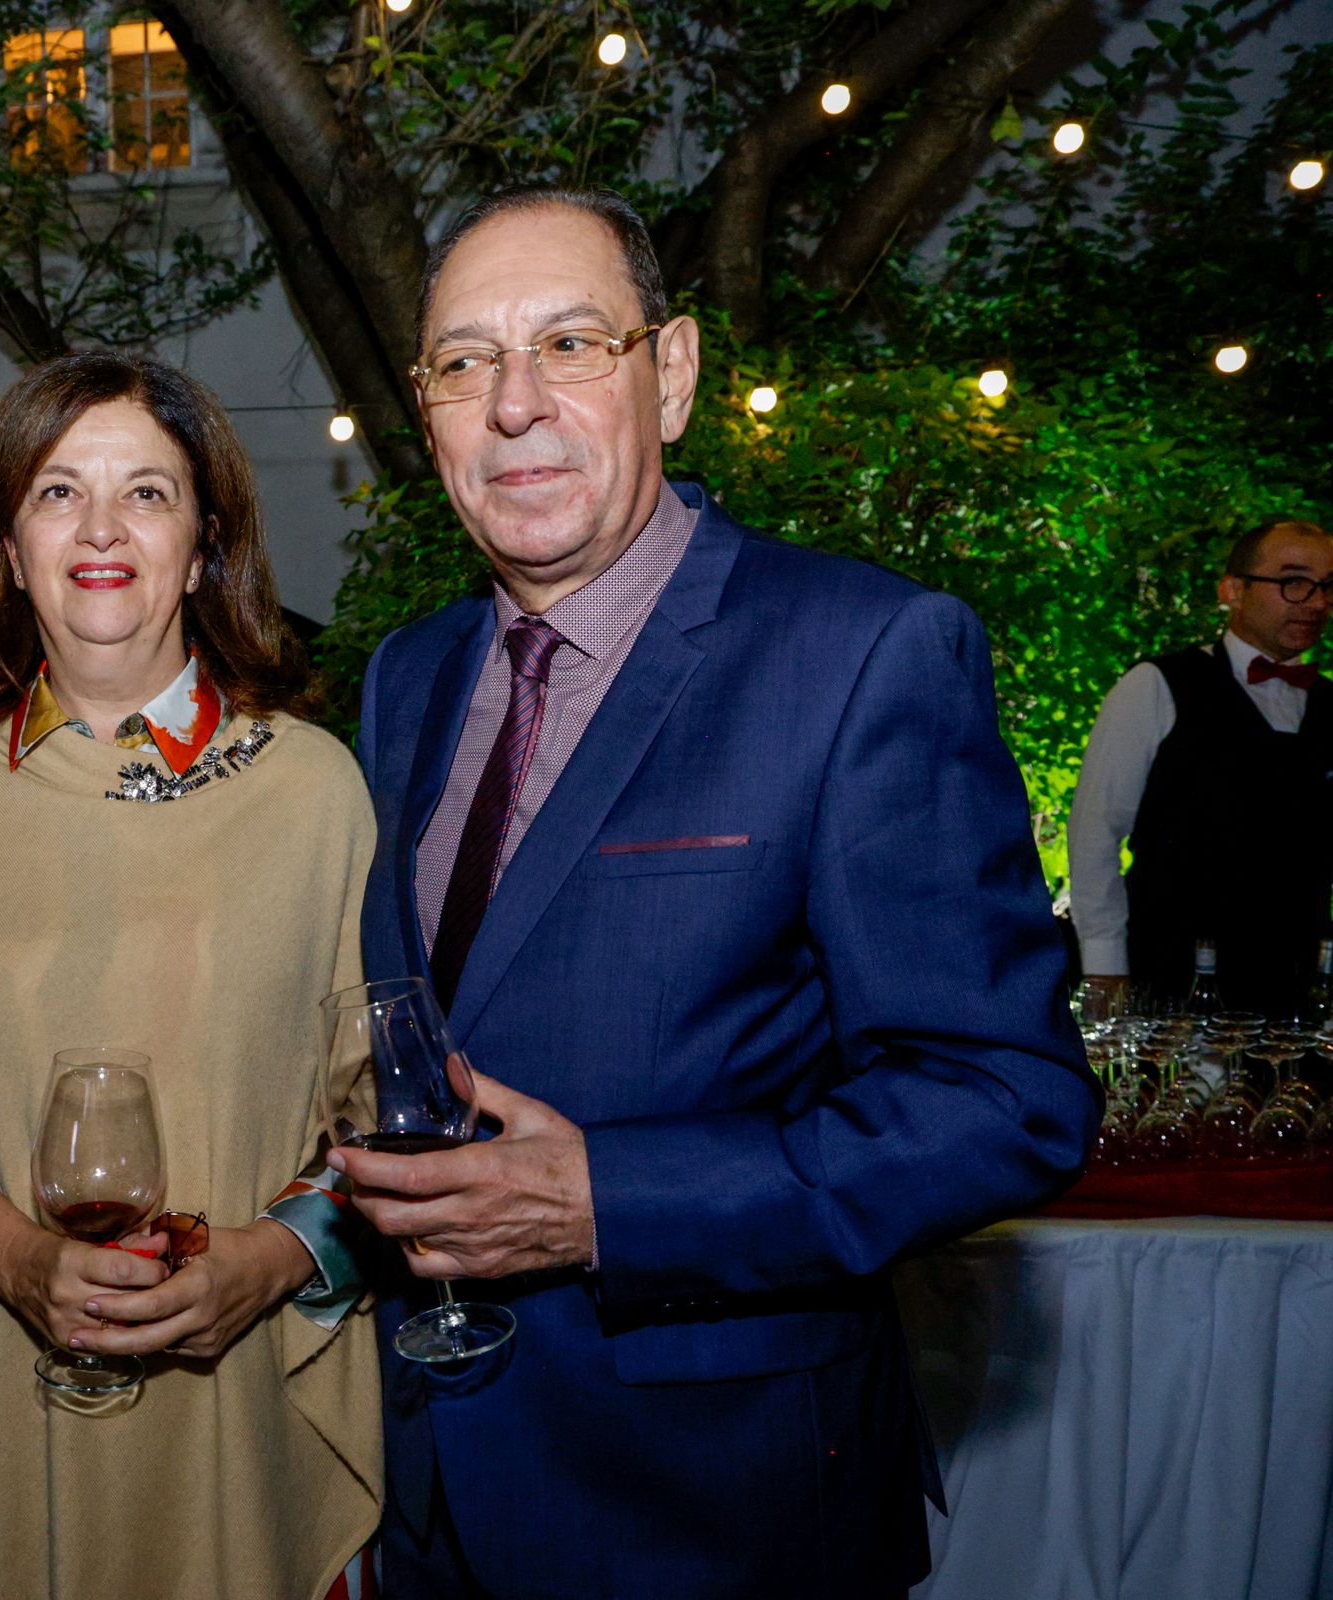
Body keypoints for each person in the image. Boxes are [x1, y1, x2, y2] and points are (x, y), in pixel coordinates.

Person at [336, 184, 1097, 1599]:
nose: (514, 404)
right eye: (464, 362)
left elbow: (1004, 1100)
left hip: (718, 1511)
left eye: (571, 344)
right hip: (430, 1496)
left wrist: (610, 1203)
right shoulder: (410, 675)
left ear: (672, 373)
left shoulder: (864, 652)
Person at [0, 351, 382, 1600]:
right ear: (8, 548)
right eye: (60, 492)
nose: (103, 530)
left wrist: (274, 1258)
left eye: (148, 492)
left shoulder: (314, 791)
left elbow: (386, 1116)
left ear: (206, 544)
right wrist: (8, 1252)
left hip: (242, 1395)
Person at [1068, 517, 1333, 1014]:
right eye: (1294, 582)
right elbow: (1095, 832)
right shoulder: (1156, 685)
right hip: (1171, 979)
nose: (1316, 602)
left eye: (1327, 586)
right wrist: (1104, 969)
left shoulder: (1329, 705)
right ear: (1233, 590)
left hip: (1298, 992)